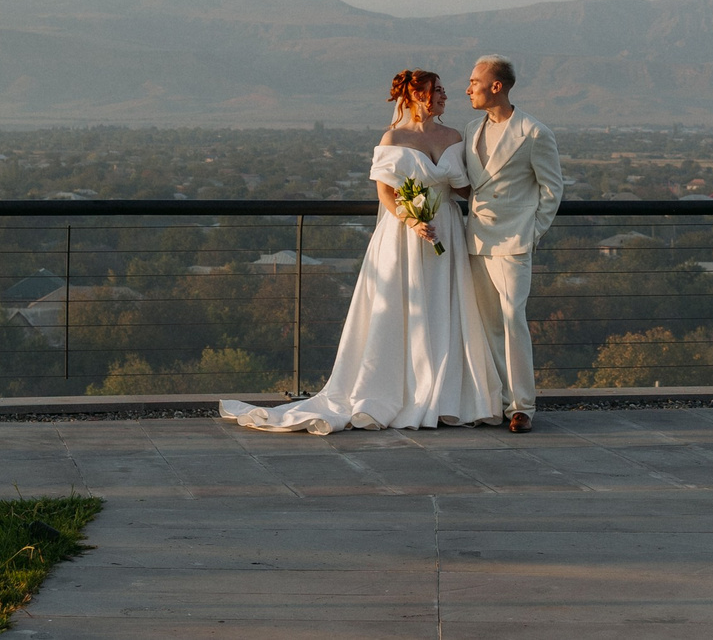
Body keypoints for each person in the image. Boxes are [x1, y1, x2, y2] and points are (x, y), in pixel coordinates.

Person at [221, 69, 502, 433]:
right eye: (438, 91)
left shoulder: (454, 136)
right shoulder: (393, 137)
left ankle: (445, 394)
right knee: (402, 306)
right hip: (403, 233)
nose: (446, 96)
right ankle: (394, 389)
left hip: (446, 228)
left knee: (444, 305)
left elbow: (465, 189)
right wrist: (411, 218)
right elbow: (385, 191)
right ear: (417, 96)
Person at [459, 54, 562, 433]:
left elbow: (552, 190)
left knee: (513, 321)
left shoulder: (534, 132)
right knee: (488, 325)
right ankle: (497, 402)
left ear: (496, 86)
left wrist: (530, 233)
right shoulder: (471, 129)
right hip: (477, 239)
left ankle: (522, 406)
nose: (468, 88)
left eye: (474, 81)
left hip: (514, 242)